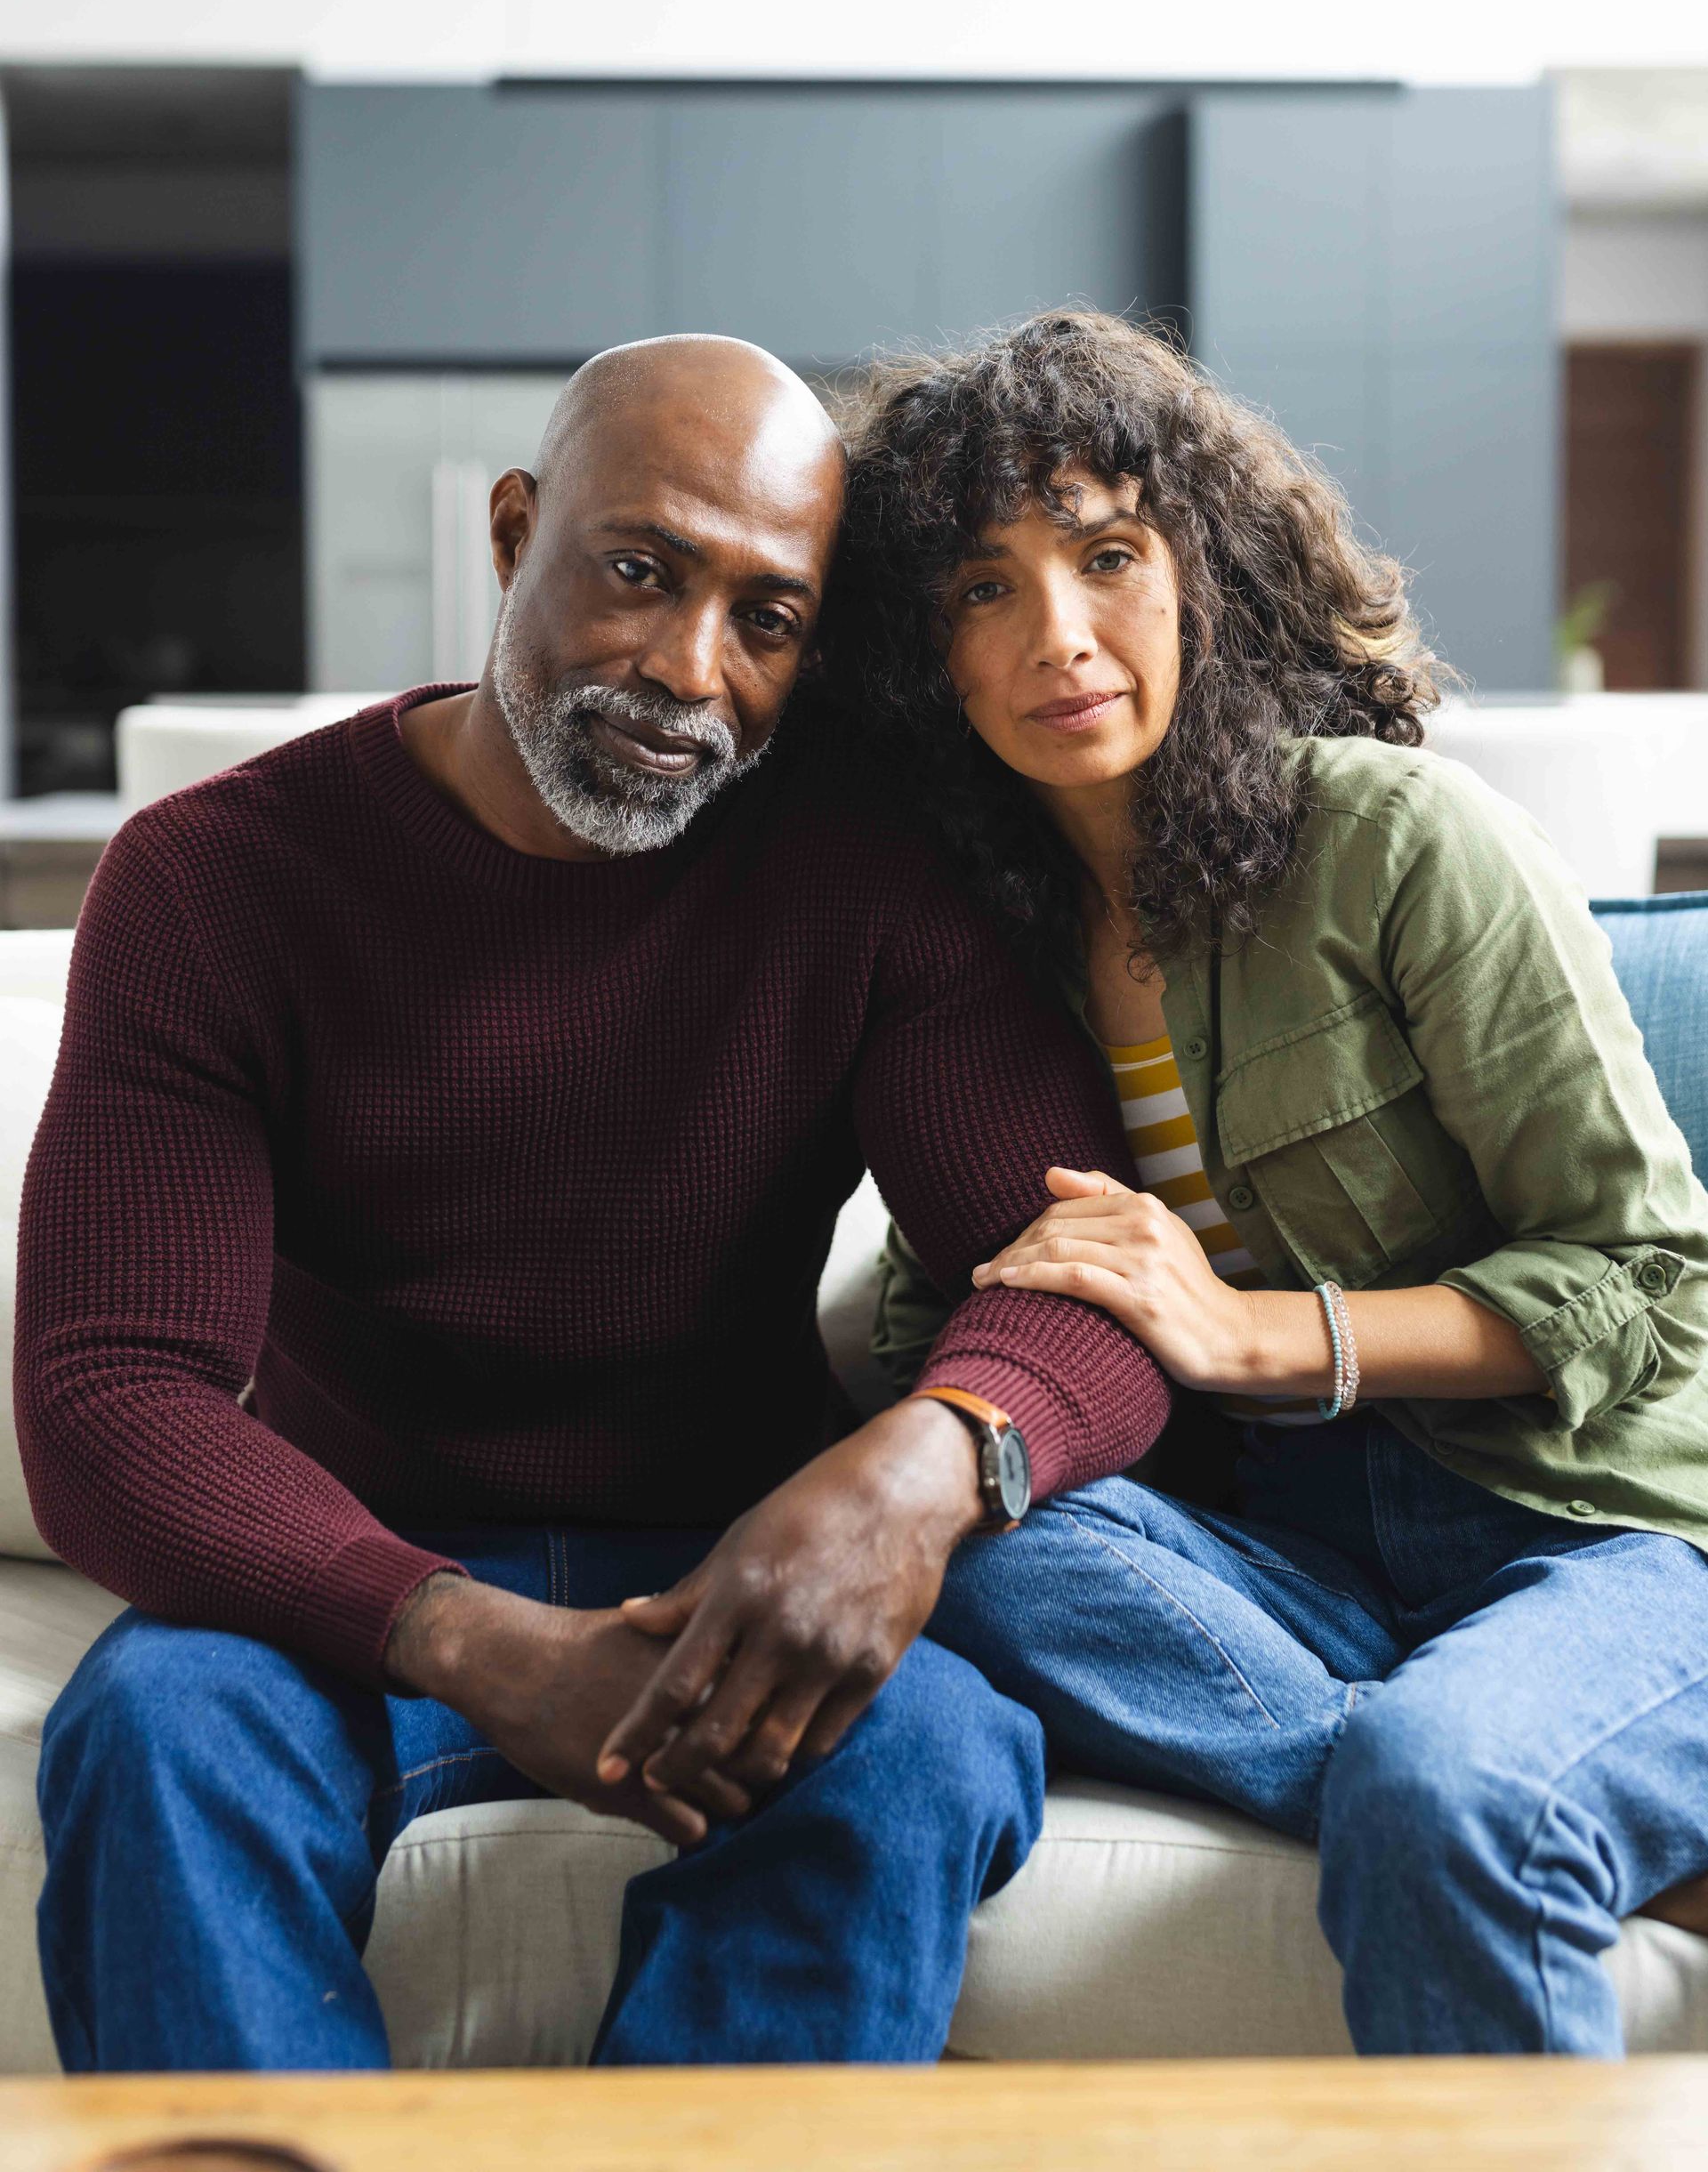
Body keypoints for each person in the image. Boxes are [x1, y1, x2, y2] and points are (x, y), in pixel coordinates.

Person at [19, 333, 1172, 2074]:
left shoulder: (862, 878)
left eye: (766, 618)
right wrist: (465, 1639)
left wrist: (928, 1458)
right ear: (510, 536)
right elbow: (114, 1395)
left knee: (932, 1746)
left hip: (731, 1572)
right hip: (350, 1573)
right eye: (638, 571)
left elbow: (1087, 1271)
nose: (684, 669)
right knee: (153, 1732)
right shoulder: (215, 883)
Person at [836, 307, 1708, 2057]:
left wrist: (1251, 1337)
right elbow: (966, 1306)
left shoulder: (1394, 839)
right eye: (982, 591)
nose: (1058, 639)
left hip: (1595, 1524)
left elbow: (1646, 1278)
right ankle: (1542, 1805)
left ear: (1203, 569)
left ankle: (1491, 1782)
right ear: (921, 652)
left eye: (1106, 557)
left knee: (1449, 1773)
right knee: (975, 1530)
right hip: (1277, 1557)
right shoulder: (970, 943)